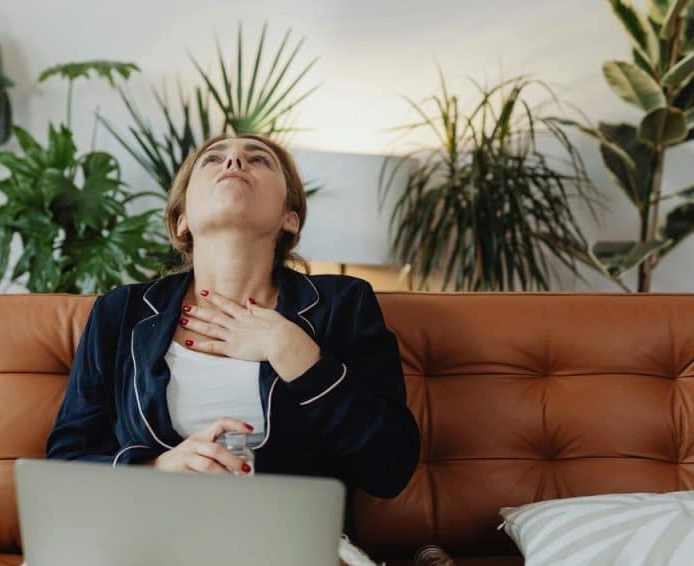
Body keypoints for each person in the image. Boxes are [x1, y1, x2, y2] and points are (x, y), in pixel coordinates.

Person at [46, 133, 420, 534]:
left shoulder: (343, 304)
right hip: (146, 540)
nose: (234, 163)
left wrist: (296, 354)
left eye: (259, 160)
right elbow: (67, 463)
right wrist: (155, 471)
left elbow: (390, 468)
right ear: (181, 220)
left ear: (289, 218)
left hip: (283, 546)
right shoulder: (120, 313)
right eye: (213, 160)